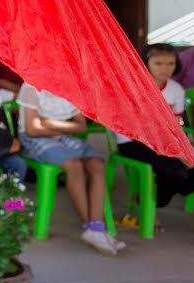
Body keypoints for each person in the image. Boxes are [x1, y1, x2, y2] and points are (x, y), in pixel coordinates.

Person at [18, 83, 126, 255]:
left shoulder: (72, 86)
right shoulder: (31, 87)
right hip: (35, 141)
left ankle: (97, 226)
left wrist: (49, 123)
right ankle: (89, 227)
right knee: (73, 165)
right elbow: (32, 130)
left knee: (97, 164)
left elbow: (81, 126)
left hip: (62, 136)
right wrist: (63, 126)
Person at [117, 44, 194, 227]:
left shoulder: (176, 89)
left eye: (170, 64)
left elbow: (177, 122)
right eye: (158, 63)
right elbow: (130, 127)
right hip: (133, 141)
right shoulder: (131, 86)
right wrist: (174, 151)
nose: (165, 69)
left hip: (166, 141)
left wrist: (184, 143)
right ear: (146, 63)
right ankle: (154, 201)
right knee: (173, 169)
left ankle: (152, 198)